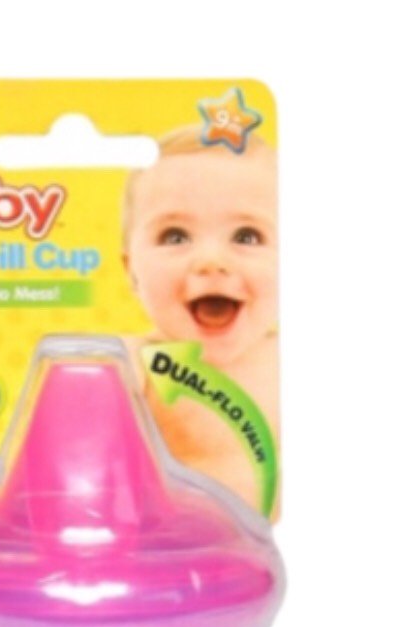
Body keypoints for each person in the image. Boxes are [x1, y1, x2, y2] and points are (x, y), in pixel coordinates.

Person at [122, 126, 279, 513]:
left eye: (246, 236)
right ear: (131, 271)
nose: (211, 261)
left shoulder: (285, 360)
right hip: (176, 547)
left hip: (272, 543)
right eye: (175, 236)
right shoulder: (135, 362)